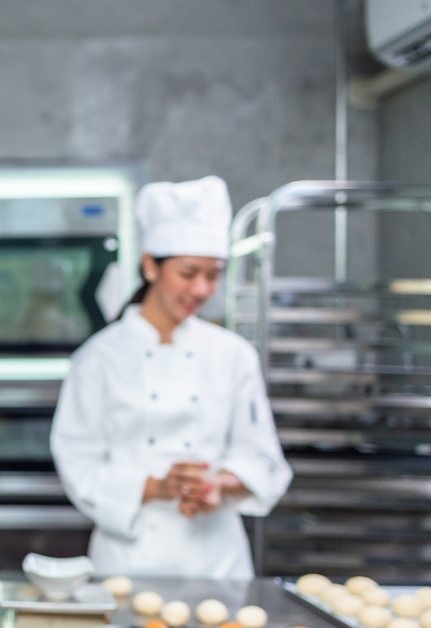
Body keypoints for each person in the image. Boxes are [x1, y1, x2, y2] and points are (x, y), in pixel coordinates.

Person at [49, 176, 292, 580]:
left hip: (218, 563)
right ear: (150, 265)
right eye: (188, 272)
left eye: (213, 274)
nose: (201, 288)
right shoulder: (97, 359)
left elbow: (263, 460)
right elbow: (78, 463)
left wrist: (218, 483)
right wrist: (157, 486)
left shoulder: (233, 355)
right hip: (128, 563)